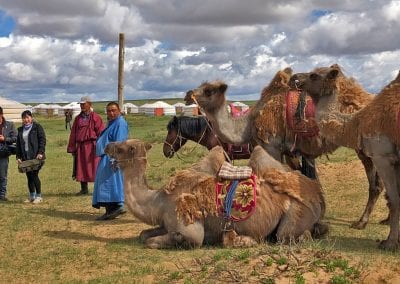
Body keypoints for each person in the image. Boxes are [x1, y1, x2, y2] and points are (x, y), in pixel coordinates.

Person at [92, 102, 128, 220]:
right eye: (109, 111)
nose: (111, 113)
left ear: (119, 110)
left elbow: (120, 142)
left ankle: (114, 208)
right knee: (106, 182)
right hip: (107, 156)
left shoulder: (120, 123)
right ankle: (111, 209)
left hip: (112, 157)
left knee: (108, 183)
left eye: (113, 110)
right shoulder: (112, 122)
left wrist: (115, 159)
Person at [67, 96, 104, 195]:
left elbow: (101, 133)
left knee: (95, 167)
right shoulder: (78, 119)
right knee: (81, 167)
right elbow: (73, 134)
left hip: (93, 146)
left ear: (90, 104)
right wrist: (72, 147)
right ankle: (84, 189)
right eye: (81, 104)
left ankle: (99, 190)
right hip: (81, 147)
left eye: (84, 104)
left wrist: (101, 147)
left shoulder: (96, 118)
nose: (82, 106)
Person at [16, 110, 46, 203]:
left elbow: (42, 140)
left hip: (36, 156)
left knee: (34, 175)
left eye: (28, 117)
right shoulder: (20, 130)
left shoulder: (37, 127)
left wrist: (40, 152)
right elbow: (18, 144)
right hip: (25, 156)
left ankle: (39, 196)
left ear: (31, 118)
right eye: (24, 118)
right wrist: (18, 157)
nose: (26, 119)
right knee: (29, 176)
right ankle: (32, 196)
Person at [0, 106, 17, 201]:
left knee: (2, 175)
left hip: (3, 153)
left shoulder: (9, 125)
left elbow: (16, 138)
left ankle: (2, 195)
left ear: (1, 114)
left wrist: (4, 139)